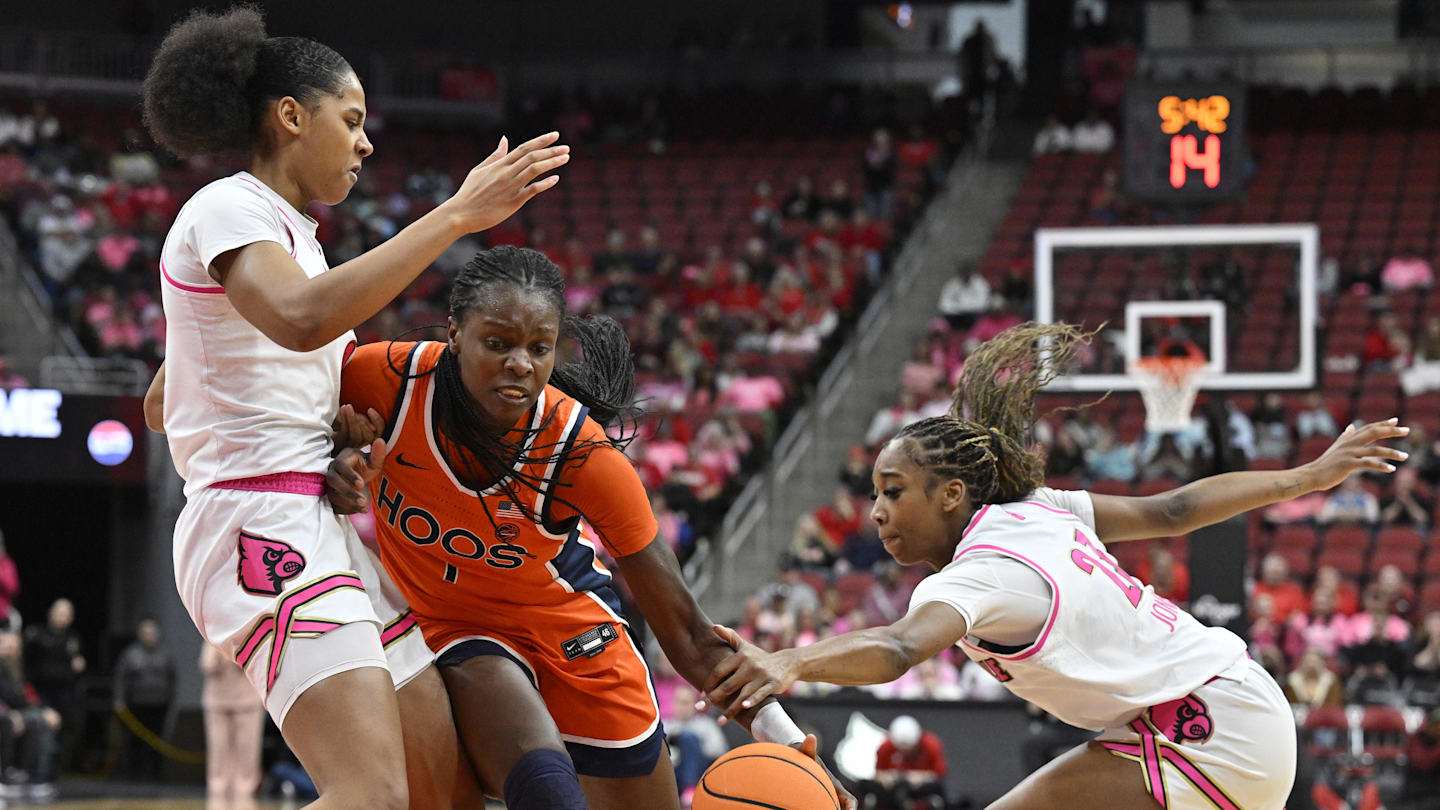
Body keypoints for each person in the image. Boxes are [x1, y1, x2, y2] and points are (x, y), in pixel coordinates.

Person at [702, 322, 1409, 809]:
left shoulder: (982, 571)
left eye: (893, 492)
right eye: (873, 495)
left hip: (1207, 726)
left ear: (951, 495)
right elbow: (1172, 511)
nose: (877, 512)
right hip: (1227, 703)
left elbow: (896, 649)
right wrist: (1306, 477)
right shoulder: (1039, 508)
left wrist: (789, 662)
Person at [137, 7, 565, 808]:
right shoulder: (227, 206)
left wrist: (336, 444)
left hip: (313, 519)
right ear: (291, 116)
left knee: (444, 796)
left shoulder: (297, 244)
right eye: (352, 118)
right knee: (368, 794)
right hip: (256, 521)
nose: (367, 143)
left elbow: (167, 401)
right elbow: (299, 321)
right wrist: (456, 216)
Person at [325, 247, 851, 809]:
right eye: (498, 343)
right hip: (453, 629)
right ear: (455, 333)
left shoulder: (582, 454)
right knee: (544, 786)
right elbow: (287, 443)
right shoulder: (383, 382)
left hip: (574, 634)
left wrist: (790, 743)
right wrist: (333, 464)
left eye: (539, 348)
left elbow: (688, 634)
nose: (520, 364)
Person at [22, 599, 84, 768]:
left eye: (66, 615)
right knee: (43, 729)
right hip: (40, 691)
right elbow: (25, 664)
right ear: (50, 613)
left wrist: (78, 663)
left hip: (64, 694)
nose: (62, 618)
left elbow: (76, 662)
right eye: (59, 613)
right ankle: (38, 771)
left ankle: (53, 770)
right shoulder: (36, 634)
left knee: (64, 732)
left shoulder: (72, 638)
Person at [113, 618, 176, 781]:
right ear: (140, 634)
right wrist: (119, 700)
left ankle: (154, 774)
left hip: (159, 704)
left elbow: (172, 679)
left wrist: (170, 700)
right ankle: (133, 773)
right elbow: (121, 678)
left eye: (152, 632)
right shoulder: (130, 654)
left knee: (156, 740)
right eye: (146, 632)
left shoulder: (165, 654)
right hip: (136, 704)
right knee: (133, 740)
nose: (149, 635)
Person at [201, 643, 265, 803]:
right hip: (218, 701)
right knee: (219, 747)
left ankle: (245, 788)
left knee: (247, 747)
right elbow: (208, 665)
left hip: (247, 702)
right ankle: (218, 787)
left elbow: (256, 665)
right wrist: (220, 654)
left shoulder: (250, 637)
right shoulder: (213, 639)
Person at [0, 631, 60, 800]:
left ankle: (35, 778)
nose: (12, 651)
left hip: (16, 713)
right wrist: (9, 713)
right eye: (8, 647)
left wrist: (45, 709)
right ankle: (6, 777)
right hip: (6, 714)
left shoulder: (17, 670)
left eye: (15, 648)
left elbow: (27, 696)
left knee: (42, 720)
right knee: (22, 720)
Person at [856, 715, 948, 810]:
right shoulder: (886, 747)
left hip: (919, 789)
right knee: (864, 785)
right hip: (892, 789)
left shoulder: (931, 745)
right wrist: (888, 777)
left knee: (937, 789)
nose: (906, 753)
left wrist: (919, 777)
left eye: (910, 749)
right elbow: (878, 773)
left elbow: (939, 774)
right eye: (901, 750)